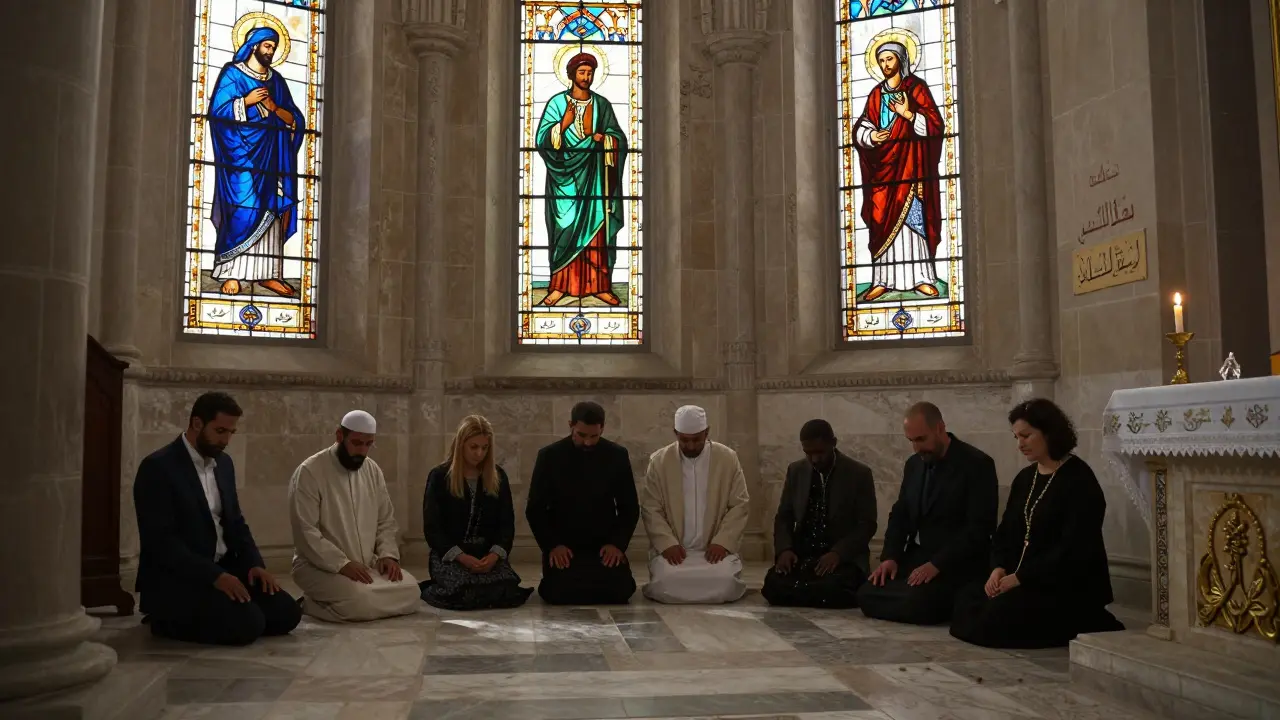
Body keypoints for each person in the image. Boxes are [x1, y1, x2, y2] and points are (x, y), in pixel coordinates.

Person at [950, 399, 1126, 648]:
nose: (1020, 444)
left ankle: (1089, 619)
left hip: (1062, 583)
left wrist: (1021, 578)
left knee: (995, 618)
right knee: (966, 597)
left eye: (1026, 436)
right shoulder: (1025, 478)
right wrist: (998, 569)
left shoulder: (1079, 479)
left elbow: (1074, 547)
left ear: (1049, 433)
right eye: (1016, 437)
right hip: (1020, 576)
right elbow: (1005, 532)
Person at [133, 392, 301, 645]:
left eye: (231, 433)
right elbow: (161, 542)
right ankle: (164, 619)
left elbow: (235, 522)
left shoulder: (224, 464)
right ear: (197, 423)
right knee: (248, 624)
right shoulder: (158, 467)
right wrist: (214, 576)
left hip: (224, 567)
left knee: (287, 613)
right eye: (220, 431)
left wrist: (255, 564)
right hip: (180, 577)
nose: (226, 440)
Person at [858, 402, 999, 624]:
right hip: (917, 557)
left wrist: (937, 564)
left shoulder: (977, 464)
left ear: (940, 428)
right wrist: (890, 557)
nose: (916, 448)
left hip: (955, 563)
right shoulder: (914, 464)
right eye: (911, 441)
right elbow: (901, 513)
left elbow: (979, 528)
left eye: (921, 439)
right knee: (866, 592)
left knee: (919, 602)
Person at [288, 410, 421, 622]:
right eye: (357, 443)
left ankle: (333, 603)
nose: (363, 451)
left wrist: (388, 555)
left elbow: (385, 520)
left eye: (369, 444)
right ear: (340, 436)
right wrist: (342, 564)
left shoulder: (372, 470)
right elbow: (306, 532)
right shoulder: (310, 471)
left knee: (412, 591)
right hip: (318, 567)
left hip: (365, 566)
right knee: (360, 601)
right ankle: (311, 604)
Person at [207, 20, 305, 298]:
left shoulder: (276, 81)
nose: (270, 51)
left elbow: (294, 119)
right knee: (242, 207)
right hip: (240, 157)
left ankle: (269, 274)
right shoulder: (232, 74)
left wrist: (275, 108)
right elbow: (218, 112)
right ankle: (231, 272)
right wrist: (246, 102)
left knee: (271, 211)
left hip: (273, 157)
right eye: (267, 45)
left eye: (274, 47)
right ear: (253, 46)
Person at [854, 38, 946, 303]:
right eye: (881, 61)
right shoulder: (875, 94)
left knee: (913, 220)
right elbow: (861, 127)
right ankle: (882, 280)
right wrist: (872, 137)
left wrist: (907, 115)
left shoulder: (916, 89)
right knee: (882, 219)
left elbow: (934, 127)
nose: (885, 65)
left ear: (901, 60)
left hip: (911, 168)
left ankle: (922, 278)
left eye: (889, 59)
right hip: (882, 173)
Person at [534, 51, 628, 307]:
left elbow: (618, 137)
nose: (586, 77)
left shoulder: (602, 104)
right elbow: (543, 140)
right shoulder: (556, 104)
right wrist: (562, 125)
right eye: (582, 72)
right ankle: (559, 286)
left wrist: (606, 140)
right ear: (571, 75)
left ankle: (599, 286)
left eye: (590, 72)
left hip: (595, 177)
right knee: (564, 229)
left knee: (597, 232)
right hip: (563, 180)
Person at [526, 402, 640, 604]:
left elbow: (629, 507)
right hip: (564, 546)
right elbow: (535, 509)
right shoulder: (549, 456)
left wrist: (617, 544)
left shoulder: (617, 455)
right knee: (558, 593)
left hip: (603, 545)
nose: (588, 442)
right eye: (581, 435)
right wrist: (553, 546)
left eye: (594, 436)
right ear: (571, 425)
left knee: (621, 590)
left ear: (602, 428)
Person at [421, 415, 533, 610]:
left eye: (484, 447)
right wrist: (462, 557)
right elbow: (433, 527)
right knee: (465, 592)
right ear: (461, 445)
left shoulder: (497, 477)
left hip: (485, 555)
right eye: (474, 447)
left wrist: (494, 556)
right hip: (451, 555)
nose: (479, 453)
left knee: (505, 589)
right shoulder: (440, 477)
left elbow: (506, 524)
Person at [640, 405, 750, 604]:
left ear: (707, 432)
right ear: (675, 434)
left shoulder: (727, 459)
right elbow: (651, 508)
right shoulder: (659, 461)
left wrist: (723, 542)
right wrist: (667, 544)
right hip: (676, 552)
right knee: (667, 581)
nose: (690, 446)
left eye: (696, 439)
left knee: (724, 581)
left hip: (713, 552)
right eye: (684, 440)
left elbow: (739, 504)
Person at [762, 420, 877, 609]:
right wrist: (785, 550)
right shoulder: (796, 471)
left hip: (842, 561)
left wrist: (837, 553)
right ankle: (812, 592)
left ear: (833, 443)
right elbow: (784, 516)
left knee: (836, 587)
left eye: (820, 453)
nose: (814, 459)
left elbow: (867, 524)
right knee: (772, 584)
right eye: (809, 453)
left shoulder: (859, 474)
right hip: (805, 557)